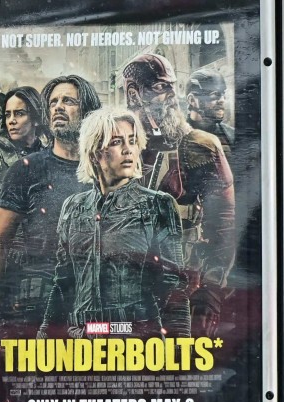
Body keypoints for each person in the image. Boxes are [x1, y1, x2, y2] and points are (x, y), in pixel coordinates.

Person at [37, 107, 190, 340]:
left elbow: (173, 286)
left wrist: (181, 349)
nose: (129, 149)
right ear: (95, 151)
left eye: (132, 141)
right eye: (117, 142)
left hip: (138, 342)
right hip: (81, 342)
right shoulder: (73, 207)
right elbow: (62, 283)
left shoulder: (157, 205)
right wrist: (43, 339)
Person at [123, 54, 235, 337]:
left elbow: (224, 223)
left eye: (172, 86)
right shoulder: (115, 147)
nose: (172, 95)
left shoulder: (199, 146)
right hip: (125, 293)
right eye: (161, 87)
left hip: (183, 289)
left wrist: (210, 292)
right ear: (134, 94)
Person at [0, 75, 101, 332]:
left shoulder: (104, 168)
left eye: (68, 101)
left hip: (93, 299)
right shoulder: (26, 169)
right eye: (53, 102)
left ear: (87, 112)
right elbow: (0, 238)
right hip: (38, 297)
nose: (58, 107)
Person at [0, 86, 47, 211]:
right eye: (7, 115)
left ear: (36, 119)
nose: (11, 121)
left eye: (19, 114)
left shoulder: (48, 155)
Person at [186, 67, 234, 153]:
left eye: (223, 95)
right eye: (215, 94)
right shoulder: (176, 138)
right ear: (192, 100)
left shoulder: (231, 135)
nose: (222, 100)